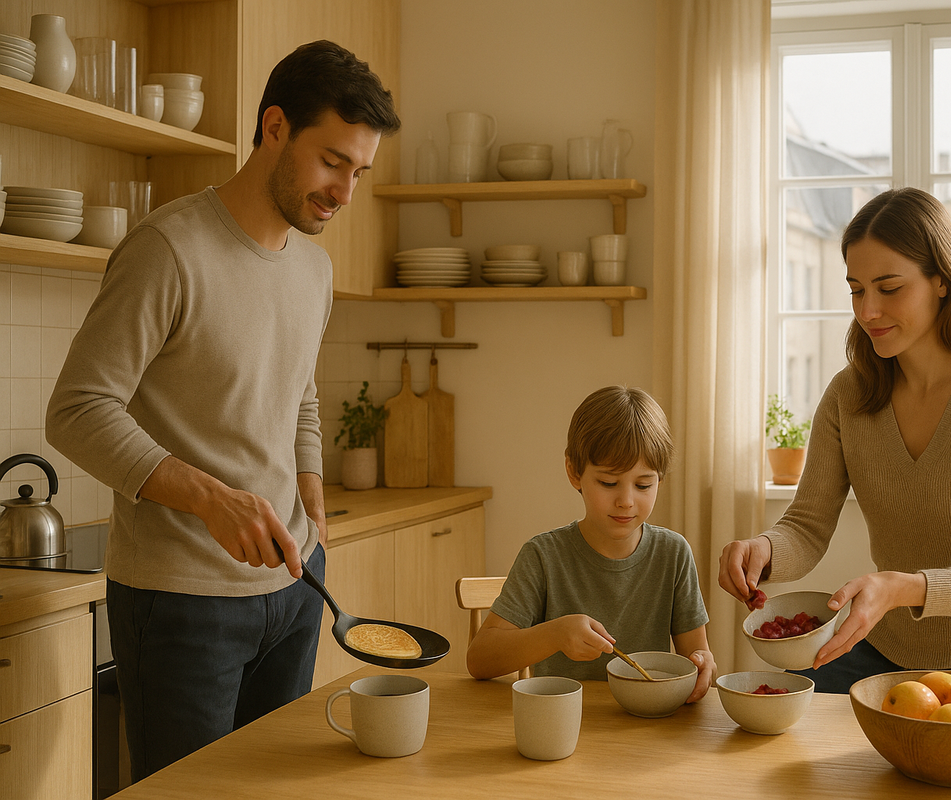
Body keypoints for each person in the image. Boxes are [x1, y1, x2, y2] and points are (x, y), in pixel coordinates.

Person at [45, 40, 400, 779]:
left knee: (274, 791)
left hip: (298, 588)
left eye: (359, 172)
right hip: (181, 602)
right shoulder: (167, 251)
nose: (345, 192)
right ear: (275, 127)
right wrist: (212, 500)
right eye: (333, 161)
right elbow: (78, 410)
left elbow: (299, 385)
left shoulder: (314, 265)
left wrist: (311, 490)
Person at [719, 188, 951, 702]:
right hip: (892, 652)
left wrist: (902, 588)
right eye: (857, 290)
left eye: (889, 287)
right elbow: (808, 524)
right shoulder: (849, 394)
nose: (869, 310)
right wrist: (764, 551)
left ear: (942, 281)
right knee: (770, 731)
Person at [466, 386, 716, 701]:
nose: (626, 501)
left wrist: (703, 666)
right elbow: (479, 660)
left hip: (649, 730)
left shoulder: (673, 554)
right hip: (564, 727)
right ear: (574, 472)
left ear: (660, 481)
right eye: (608, 483)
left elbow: (697, 653)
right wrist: (554, 634)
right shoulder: (544, 556)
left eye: (643, 484)